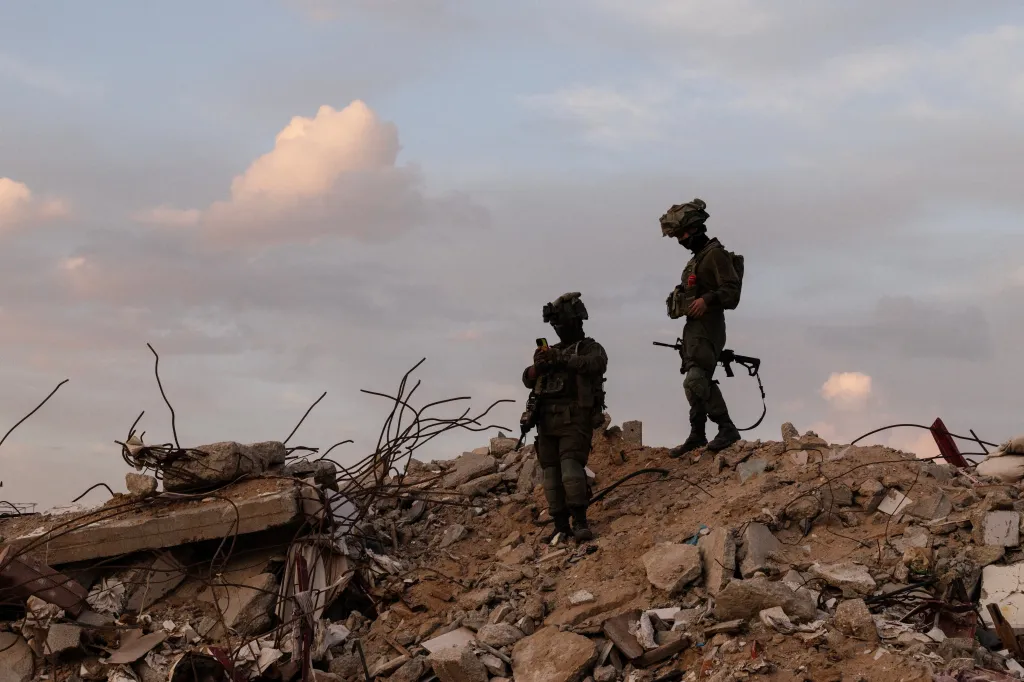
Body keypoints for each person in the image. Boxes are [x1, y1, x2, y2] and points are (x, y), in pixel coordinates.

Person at [521, 292, 608, 541]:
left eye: (562, 323)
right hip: (546, 421)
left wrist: (563, 359)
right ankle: (560, 525)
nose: (558, 329)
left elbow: (596, 364)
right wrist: (537, 367)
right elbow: (527, 379)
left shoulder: (589, 347)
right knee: (551, 477)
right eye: (555, 325)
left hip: (574, 419)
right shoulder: (552, 352)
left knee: (570, 471)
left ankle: (580, 521)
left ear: (577, 321)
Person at [661, 198, 742, 457]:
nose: (681, 241)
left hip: (709, 327)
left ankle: (727, 428)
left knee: (696, 379)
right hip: (694, 330)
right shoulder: (697, 260)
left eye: (682, 235)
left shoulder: (714, 254)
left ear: (694, 229)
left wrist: (707, 299)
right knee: (692, 384)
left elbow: (732, 292)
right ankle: (697, 434)